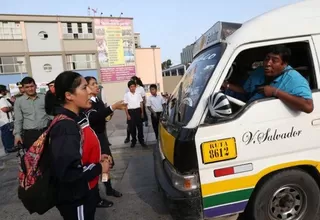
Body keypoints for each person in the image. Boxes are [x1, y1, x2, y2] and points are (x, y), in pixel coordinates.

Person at [50, 71, 110, 220]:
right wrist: (99, 168)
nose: (90, 91)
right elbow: (68, 172)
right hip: (76, 197)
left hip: (83, 191)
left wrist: (97, 158)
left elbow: (79, 152)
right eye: (84, 88)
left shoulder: (75, 118)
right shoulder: (65, 127)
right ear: (69, 95)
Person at [222, 45, 313, 113]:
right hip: (248, 111)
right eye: (267, 59)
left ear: (284, 64)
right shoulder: (259, 72)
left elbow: (308, 107)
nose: (268, 63)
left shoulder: (293, 79)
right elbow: (245, 90)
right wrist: (227, 85)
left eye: (275, 60)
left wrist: (275, 92)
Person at [85, 76, 123, 208]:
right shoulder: (86, 103)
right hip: (93, 139)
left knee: (106, 164)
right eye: (93, 84)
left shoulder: (98, 100)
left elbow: (102, 117)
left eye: (96, 83)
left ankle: (108, 188)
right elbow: (95, 118)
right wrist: (113, 107)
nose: (96, 86)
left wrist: (108, 116)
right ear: (86, 88)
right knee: (95, 167)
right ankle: (95, 197)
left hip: (102, 137)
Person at [13, 77, 50, 150]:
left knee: (49, 157)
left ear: (35, 86)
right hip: (30, 135)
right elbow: (18, 120)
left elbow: (50, 115)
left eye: (32, 86)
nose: (30, 89)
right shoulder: (19, 101)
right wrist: (17, 135)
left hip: (45, 132)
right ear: (23, 88)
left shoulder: (44, 98)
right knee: (33, 159)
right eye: (27, 87)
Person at [124, 80, 147, 148]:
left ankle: (141, 141)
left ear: (135, 87)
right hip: (131, 112)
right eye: (131, 87)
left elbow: (141, 103)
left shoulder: (138, 94)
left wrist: (142, 113)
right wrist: (127, 115)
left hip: (138, 111)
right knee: (132, 128)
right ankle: (133, 141)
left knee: (140, 127)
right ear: (129, 88)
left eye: (134, 86)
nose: (133, 88)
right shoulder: (126, 95)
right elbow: (125, 106)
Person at [0, 85, 15, 154]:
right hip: (6, 121)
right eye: (5, 90)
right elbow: (4, 109)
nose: (6, 91)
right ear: (2, 91)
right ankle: (9, 148)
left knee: (5, 135)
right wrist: (12, 107)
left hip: (3, 121)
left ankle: (8, 148)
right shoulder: (2, 99)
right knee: (7, 135)